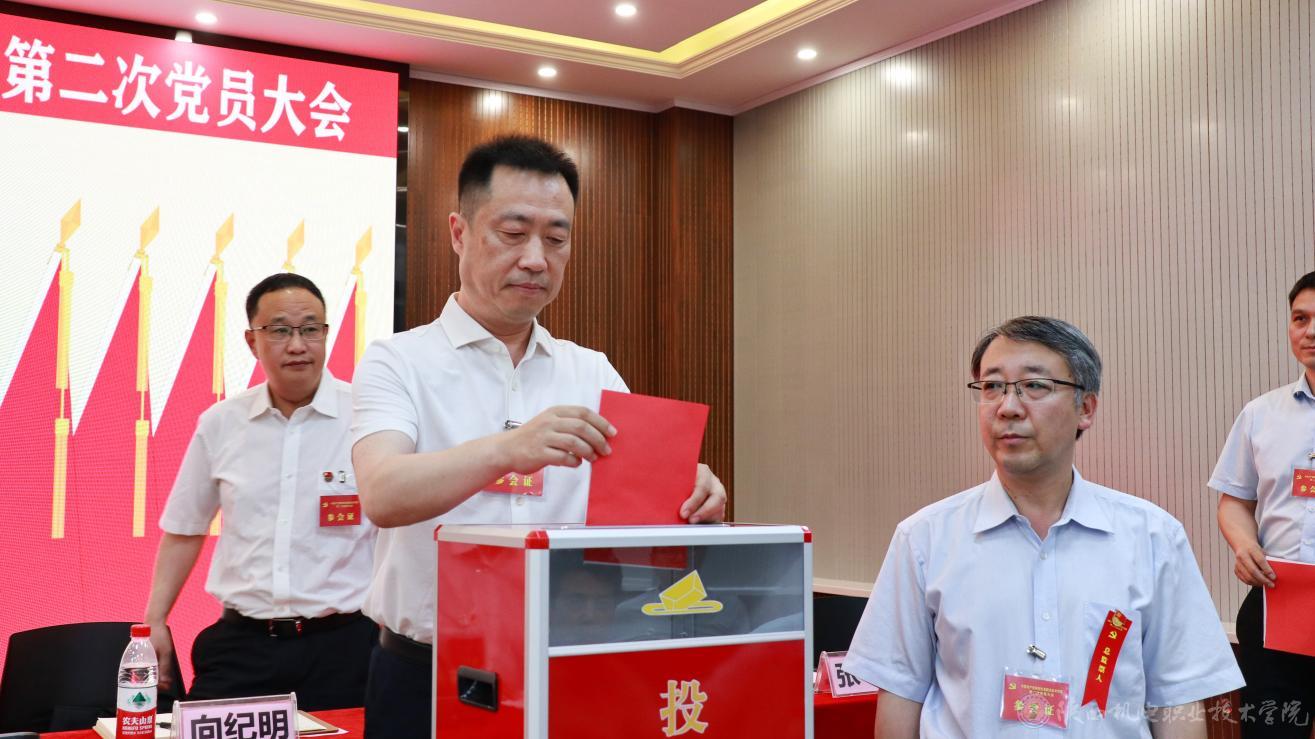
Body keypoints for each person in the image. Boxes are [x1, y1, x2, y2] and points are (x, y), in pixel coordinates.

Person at [351, 135, 727, 738]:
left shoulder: (592, 371)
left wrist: (691, 496)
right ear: (459, 233)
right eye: (513, 232)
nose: (535, 259)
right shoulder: (397, 361)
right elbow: (383, 493)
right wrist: (508, 448)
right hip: (429, 673)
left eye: (556, 239)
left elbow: (644, 517)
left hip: (570, 662)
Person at [843, 316, 1243, 738]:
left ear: (1085, 409)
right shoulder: (924, 539)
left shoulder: (1152, 537)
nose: (1007, 407)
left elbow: (1177, 698)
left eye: (1034, 385)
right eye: (992, 386)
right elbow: (901, 695)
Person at [144, 273, 377, 709]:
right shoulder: (221, 423)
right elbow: (184, 529)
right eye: (280, 330)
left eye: (311, 329)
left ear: (326, 335)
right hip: (244, 646)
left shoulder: (368, 417)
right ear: (252, 341)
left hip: (346, 647)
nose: (297, 345)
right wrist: (154, 621)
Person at [1210, 270, 1315, 737]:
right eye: (1300, 318)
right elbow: (1234, 501)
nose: (1309, 331)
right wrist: (1244, 545)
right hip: (1278, 605)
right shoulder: (1261, 414)